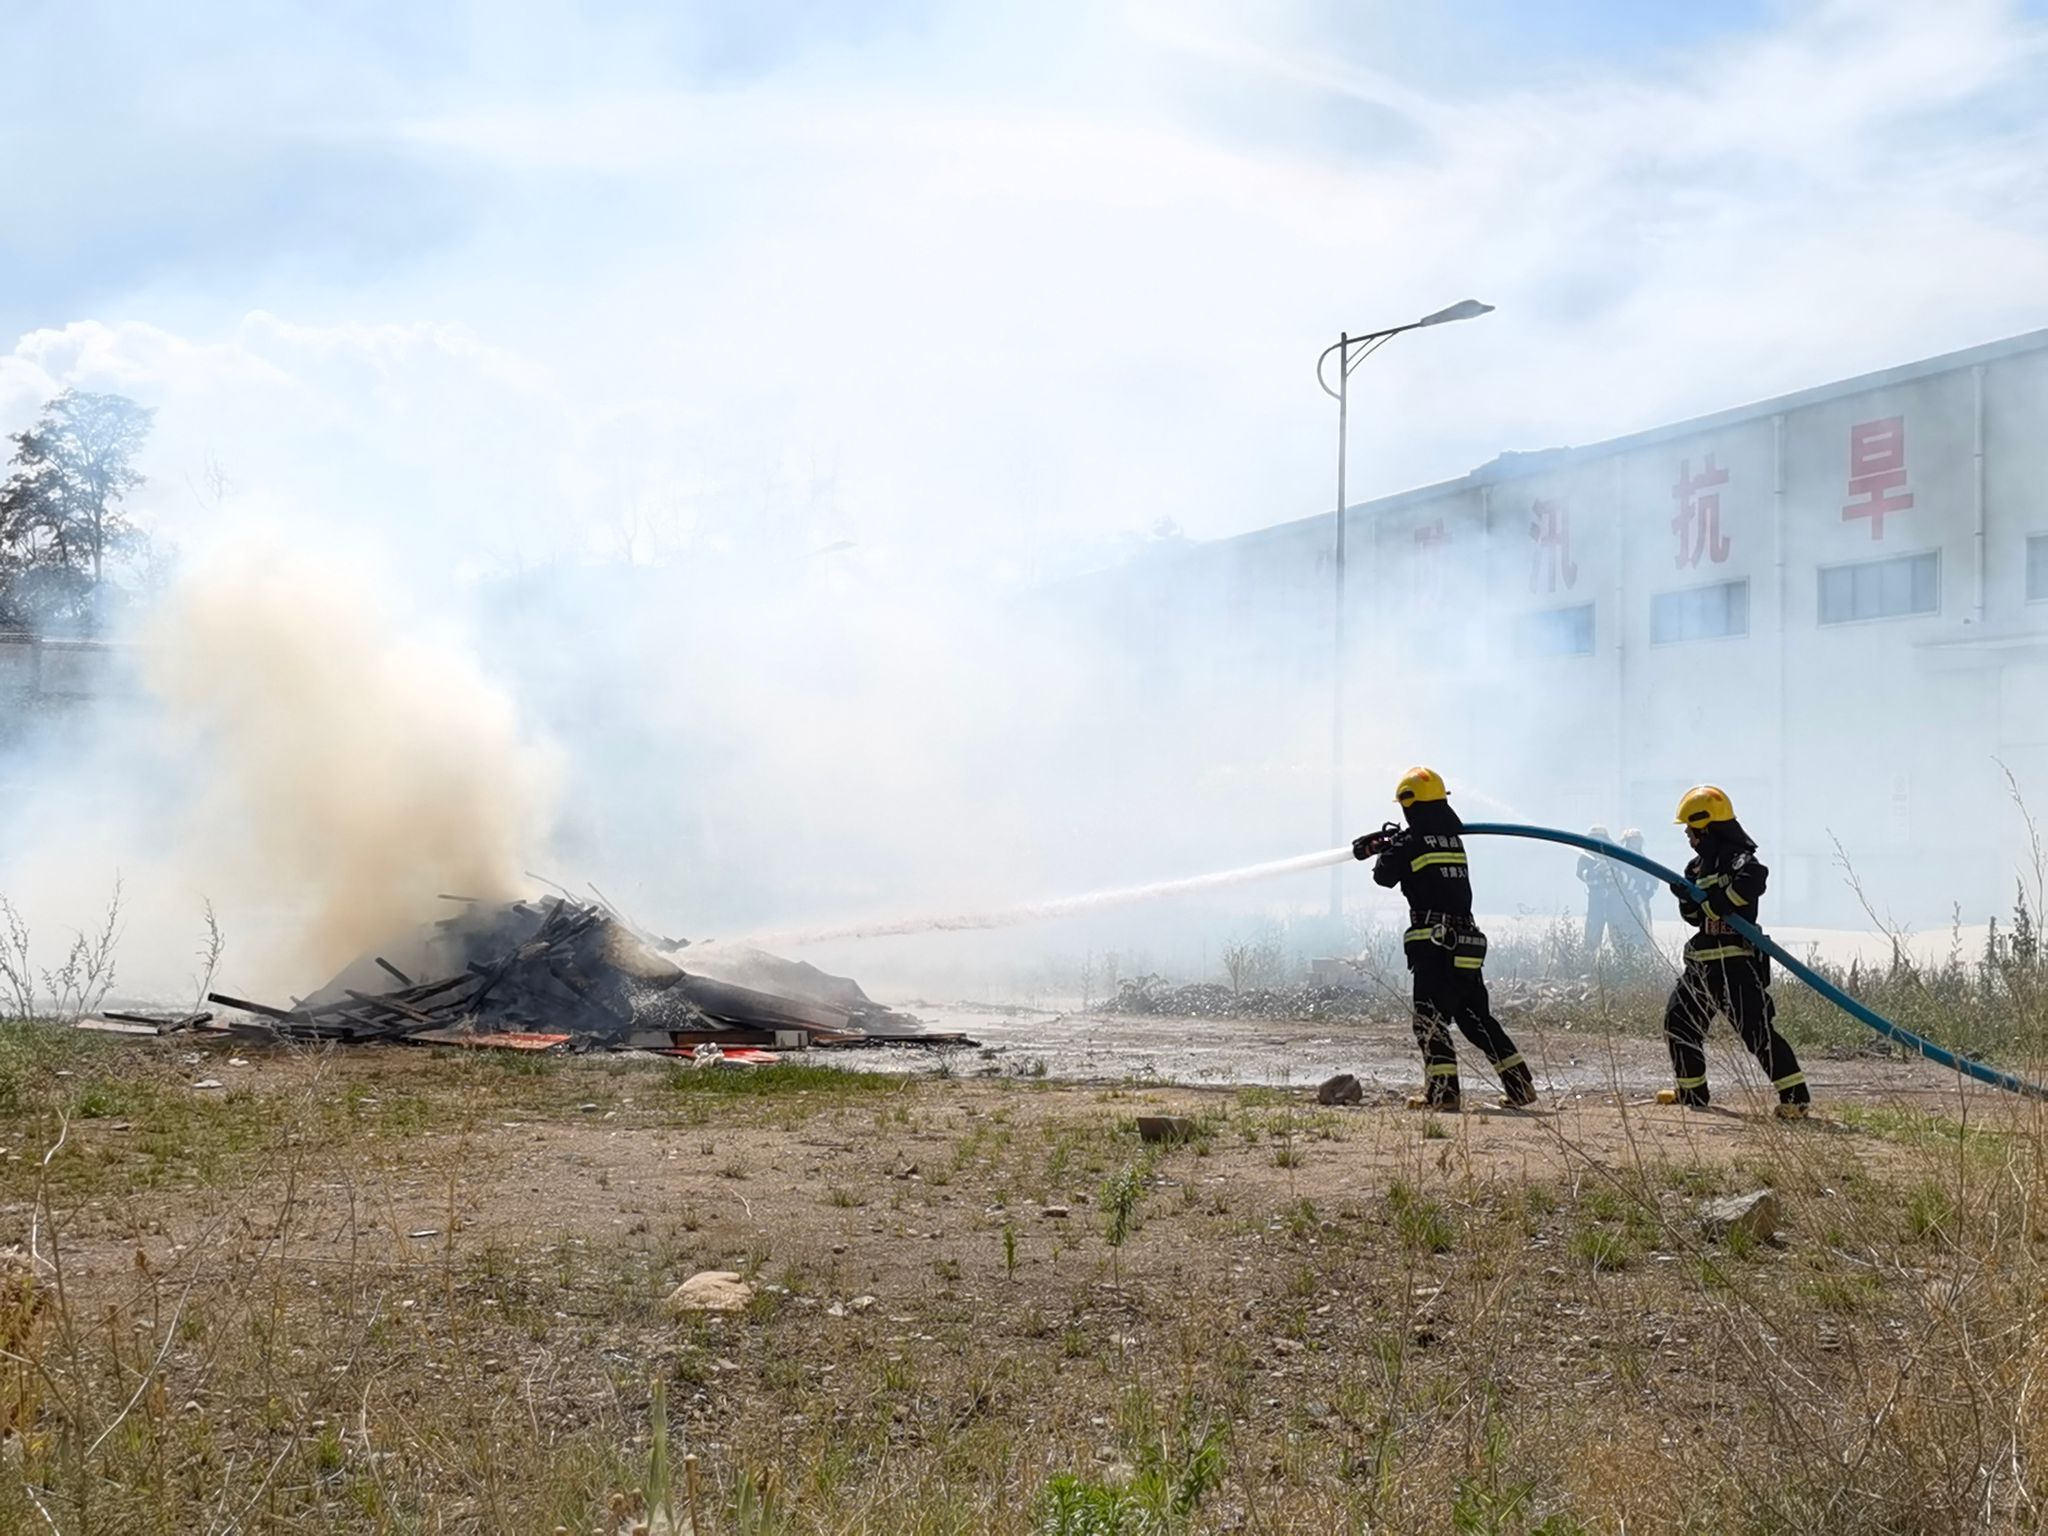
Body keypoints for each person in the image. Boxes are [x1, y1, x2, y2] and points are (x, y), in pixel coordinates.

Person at [1354, 767, 1538, 1109]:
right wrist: (1392, 843)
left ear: (1409, 804)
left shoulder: (1410, 843)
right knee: (1476, 1020)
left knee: (1429, 1020)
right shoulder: (1453, 840)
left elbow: (1383, 877)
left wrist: (1386, 847)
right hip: (1465, 946)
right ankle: (1520, 1086)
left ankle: (1443, 1094)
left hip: (1435, 948)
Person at [1657, 785, 1811, 1118]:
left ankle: (1795, 1099)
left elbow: (1754, 879)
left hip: (1736, 963)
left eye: (1691, 827)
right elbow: (1695, 917)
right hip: (1701, 965)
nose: (1687, 834)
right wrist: (1687, 899)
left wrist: (1717, 903)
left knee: (1756, 1031)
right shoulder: (1696, 867)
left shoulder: (1737, 858)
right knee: (1679, 1022)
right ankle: (1692, 1092)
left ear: (1707, 826)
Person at [1576, 825, 1617, 953]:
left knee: (1618, 935)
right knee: (1592, 934)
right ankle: (1589, 959)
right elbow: (1580, 873)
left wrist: (1610, 870)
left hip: (1615, 902)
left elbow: (1621, 875)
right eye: (1594, 839)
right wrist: (1595, 872)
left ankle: (1622, 959)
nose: (1597, 842)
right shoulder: (1585, 857)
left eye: (1600, 839)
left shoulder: (1614, 855)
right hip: (1596, 900)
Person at [1610, 829, 1653, 953]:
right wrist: (1630, 886)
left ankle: (1643, 954)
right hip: (1623, 902)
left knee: (1643, 929)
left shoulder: (1643, 859)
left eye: (1638, 840)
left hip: (1641, 901)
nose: (1636, 842)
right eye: (1633, 839)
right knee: (1624, 930)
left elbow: (1652, 879)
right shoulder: (1620, 859)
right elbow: (1617, 877)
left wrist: (1647, 891)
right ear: (1627, 841)